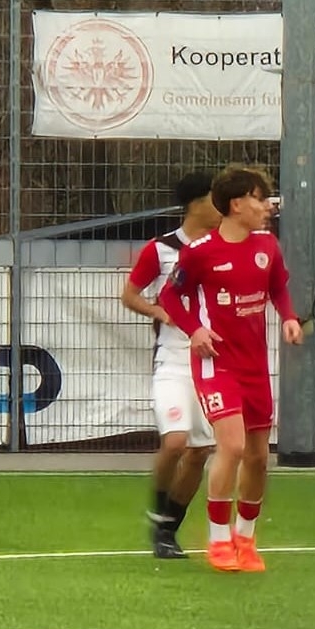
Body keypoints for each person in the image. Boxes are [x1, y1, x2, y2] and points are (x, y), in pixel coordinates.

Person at [158, 165, 303, 573]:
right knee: (233, 446)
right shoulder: (201, 251)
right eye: (260, 198)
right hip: (216, 363)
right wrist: (195, 329)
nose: (267, 206)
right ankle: (218, 540)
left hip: (255, 365)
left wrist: (289, 317)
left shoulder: (267, 245)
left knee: (258, 457)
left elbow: (277, 287)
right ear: (237, 204)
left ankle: (246, 538)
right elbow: (170, 297)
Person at [120, 171, 221, 559]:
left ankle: (168, 529)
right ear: (196, 204)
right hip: (174, 361)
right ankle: (157, 510)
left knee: (200, 451)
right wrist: (159, 312)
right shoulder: (161, 249)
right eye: (215, 199)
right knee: (176, 441)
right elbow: (130, 294)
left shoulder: (225, 247)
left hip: (211, 364)